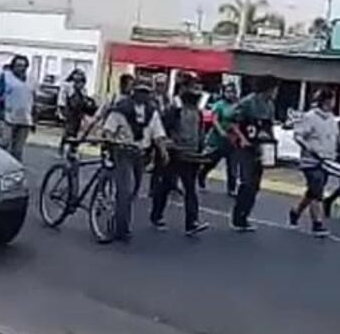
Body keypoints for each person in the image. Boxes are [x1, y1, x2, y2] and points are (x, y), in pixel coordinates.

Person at [102, 78, 168, 243]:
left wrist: (163, 151)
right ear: (134, 91)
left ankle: (121, 219)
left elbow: (158, 133)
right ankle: (121, 229)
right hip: (122, 150)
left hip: (140, 153)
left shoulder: (151, 111)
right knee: (124, 190)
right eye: (140, 91)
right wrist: (110, 140)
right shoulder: (122, 108)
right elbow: (109, 129)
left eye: (146, 92)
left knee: (133, 191)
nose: (143, 95)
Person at [151, 75, 209, 236]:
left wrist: (201, 149)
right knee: (166, 186)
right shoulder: (175, 109)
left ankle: (192, 222)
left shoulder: (197, 111)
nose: (196, 91)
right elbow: (163, 129)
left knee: (190, 189)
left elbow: (200, 132)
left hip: (191, 155)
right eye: (192, 87)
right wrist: (166, 146)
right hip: (175, 153)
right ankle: (156, 215)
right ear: (184, 89)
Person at [229, 76, 279, 232]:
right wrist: (242, 138)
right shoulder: (248, 102)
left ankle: (245, 216)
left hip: (261, 146)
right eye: (275, 89)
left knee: (255, 184)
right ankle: (238, 217)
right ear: (268, 88)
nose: (276, 92)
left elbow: (268, 126)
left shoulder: (270, 105)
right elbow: (232, 121)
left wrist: (271, 142)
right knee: (247, 182)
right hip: (246, 147)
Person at [289, 89, 339, 237]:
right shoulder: (310, 117)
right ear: (326, 101)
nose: (334, 103)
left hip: (327, 160)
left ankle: (296, 212)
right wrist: (308, 148)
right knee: (317, 190)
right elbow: (298, 135)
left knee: (313, 191)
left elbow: (333, 138)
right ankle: (317, 223)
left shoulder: (331, 119)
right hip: (311, 161)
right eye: (332, 100)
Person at [199, 82, 240, 195]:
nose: (230, 94)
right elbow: (215, 120)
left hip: (232, 141)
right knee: (211, 162)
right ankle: (201, 176)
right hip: (218, 140)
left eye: (232, 92)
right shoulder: (219, 105)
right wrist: (221, 131)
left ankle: (231, 189)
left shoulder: (238, 105)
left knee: (232, 166)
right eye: (227, 91)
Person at [0, 55, 35, 162]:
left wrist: (34, 119)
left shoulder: (31, 80)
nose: (21, 68)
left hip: (25, 119)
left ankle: (15, 170)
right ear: (13, 66)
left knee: (18, 150)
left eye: (23, 66)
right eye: (18, 65)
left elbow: (33, 99)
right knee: (3, 144)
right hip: (8, 117)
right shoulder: (5, 77)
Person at [57, 69, 97, 151]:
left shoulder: (83, 90)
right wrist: (61, 110)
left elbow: (84, 100)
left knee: (76, 130)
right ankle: (63, 147)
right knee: (69, 130)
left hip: (78, 112)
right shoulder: (67, 86)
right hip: (70, 111)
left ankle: (73, 148)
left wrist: (88, 105)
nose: (81, 84)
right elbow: (62, 99)